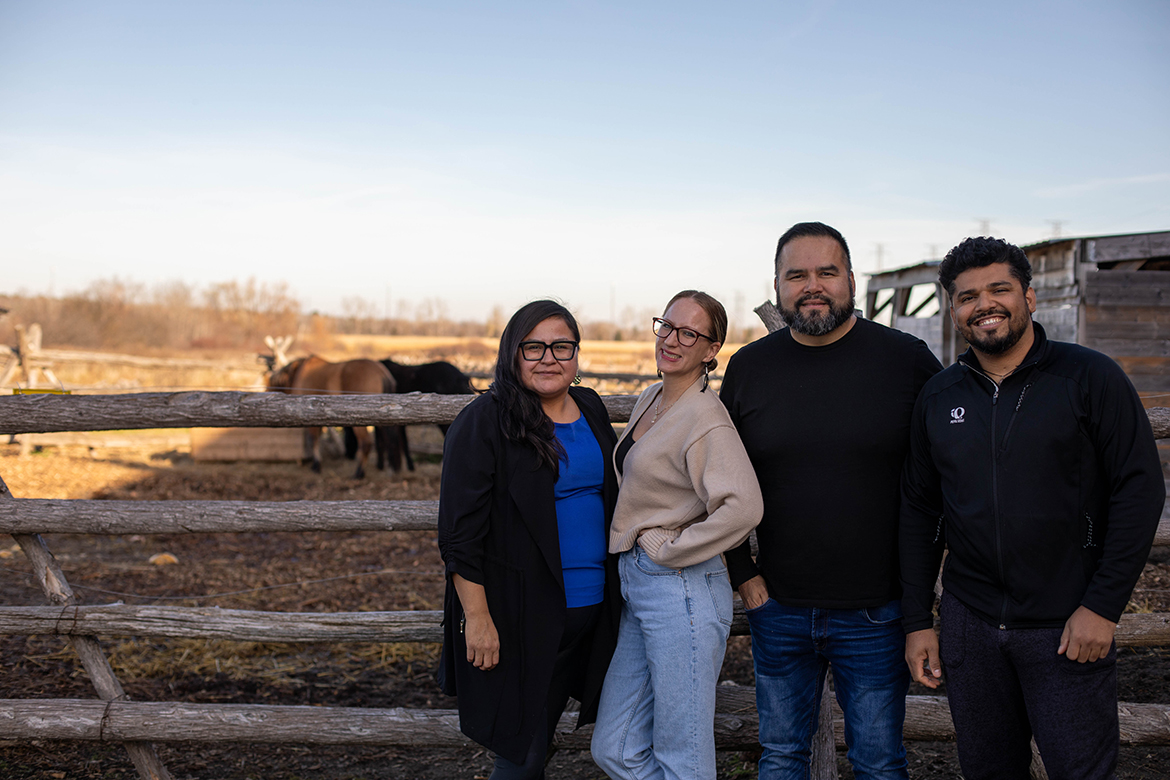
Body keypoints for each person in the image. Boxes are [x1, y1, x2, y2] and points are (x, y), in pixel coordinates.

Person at [900, 237, 1165, 780]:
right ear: (954, 309)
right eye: (968, 295)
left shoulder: (1089, 378)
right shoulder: (939, 395)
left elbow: (1139, 491)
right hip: (970, 625)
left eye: (1000, 288)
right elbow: (920, 510)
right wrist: (918, 622)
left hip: (1067, 626)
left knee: (1080, 771)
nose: (985, 304)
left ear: (1030, 296)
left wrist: (1104, 606)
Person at [719, 222, 942, 779]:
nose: (812, 285)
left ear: (851, 281)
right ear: (776, 285)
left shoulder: (906, 361)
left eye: (827, 272)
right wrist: (743, 573)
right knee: (781, 757)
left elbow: (948, 468)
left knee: (877, 762)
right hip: (779, 609)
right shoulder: (749, 368)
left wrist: (918, 604)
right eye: (797, 275)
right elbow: (716, 480)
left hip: (876, 609)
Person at [437, 300, 621, 779]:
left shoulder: (592, 408)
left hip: (588, 616)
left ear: (576, 354)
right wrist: (477, 619)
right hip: (517, 618)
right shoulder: (486, 420)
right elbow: (459, 534)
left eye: (562, 346)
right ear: (513, 354)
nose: (549, 358)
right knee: (521, 754)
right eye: (534, 347)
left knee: (538, 745)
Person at [591, 290, 763, 780]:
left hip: (682, 591)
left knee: (682, 758)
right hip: (640, 586)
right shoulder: (653, 397)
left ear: (711, 350)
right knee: (615, 747)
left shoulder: (706, 419)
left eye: (689, 333)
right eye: (666, 326)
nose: (671, 339)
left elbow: (744, 505)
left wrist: (673, 549)